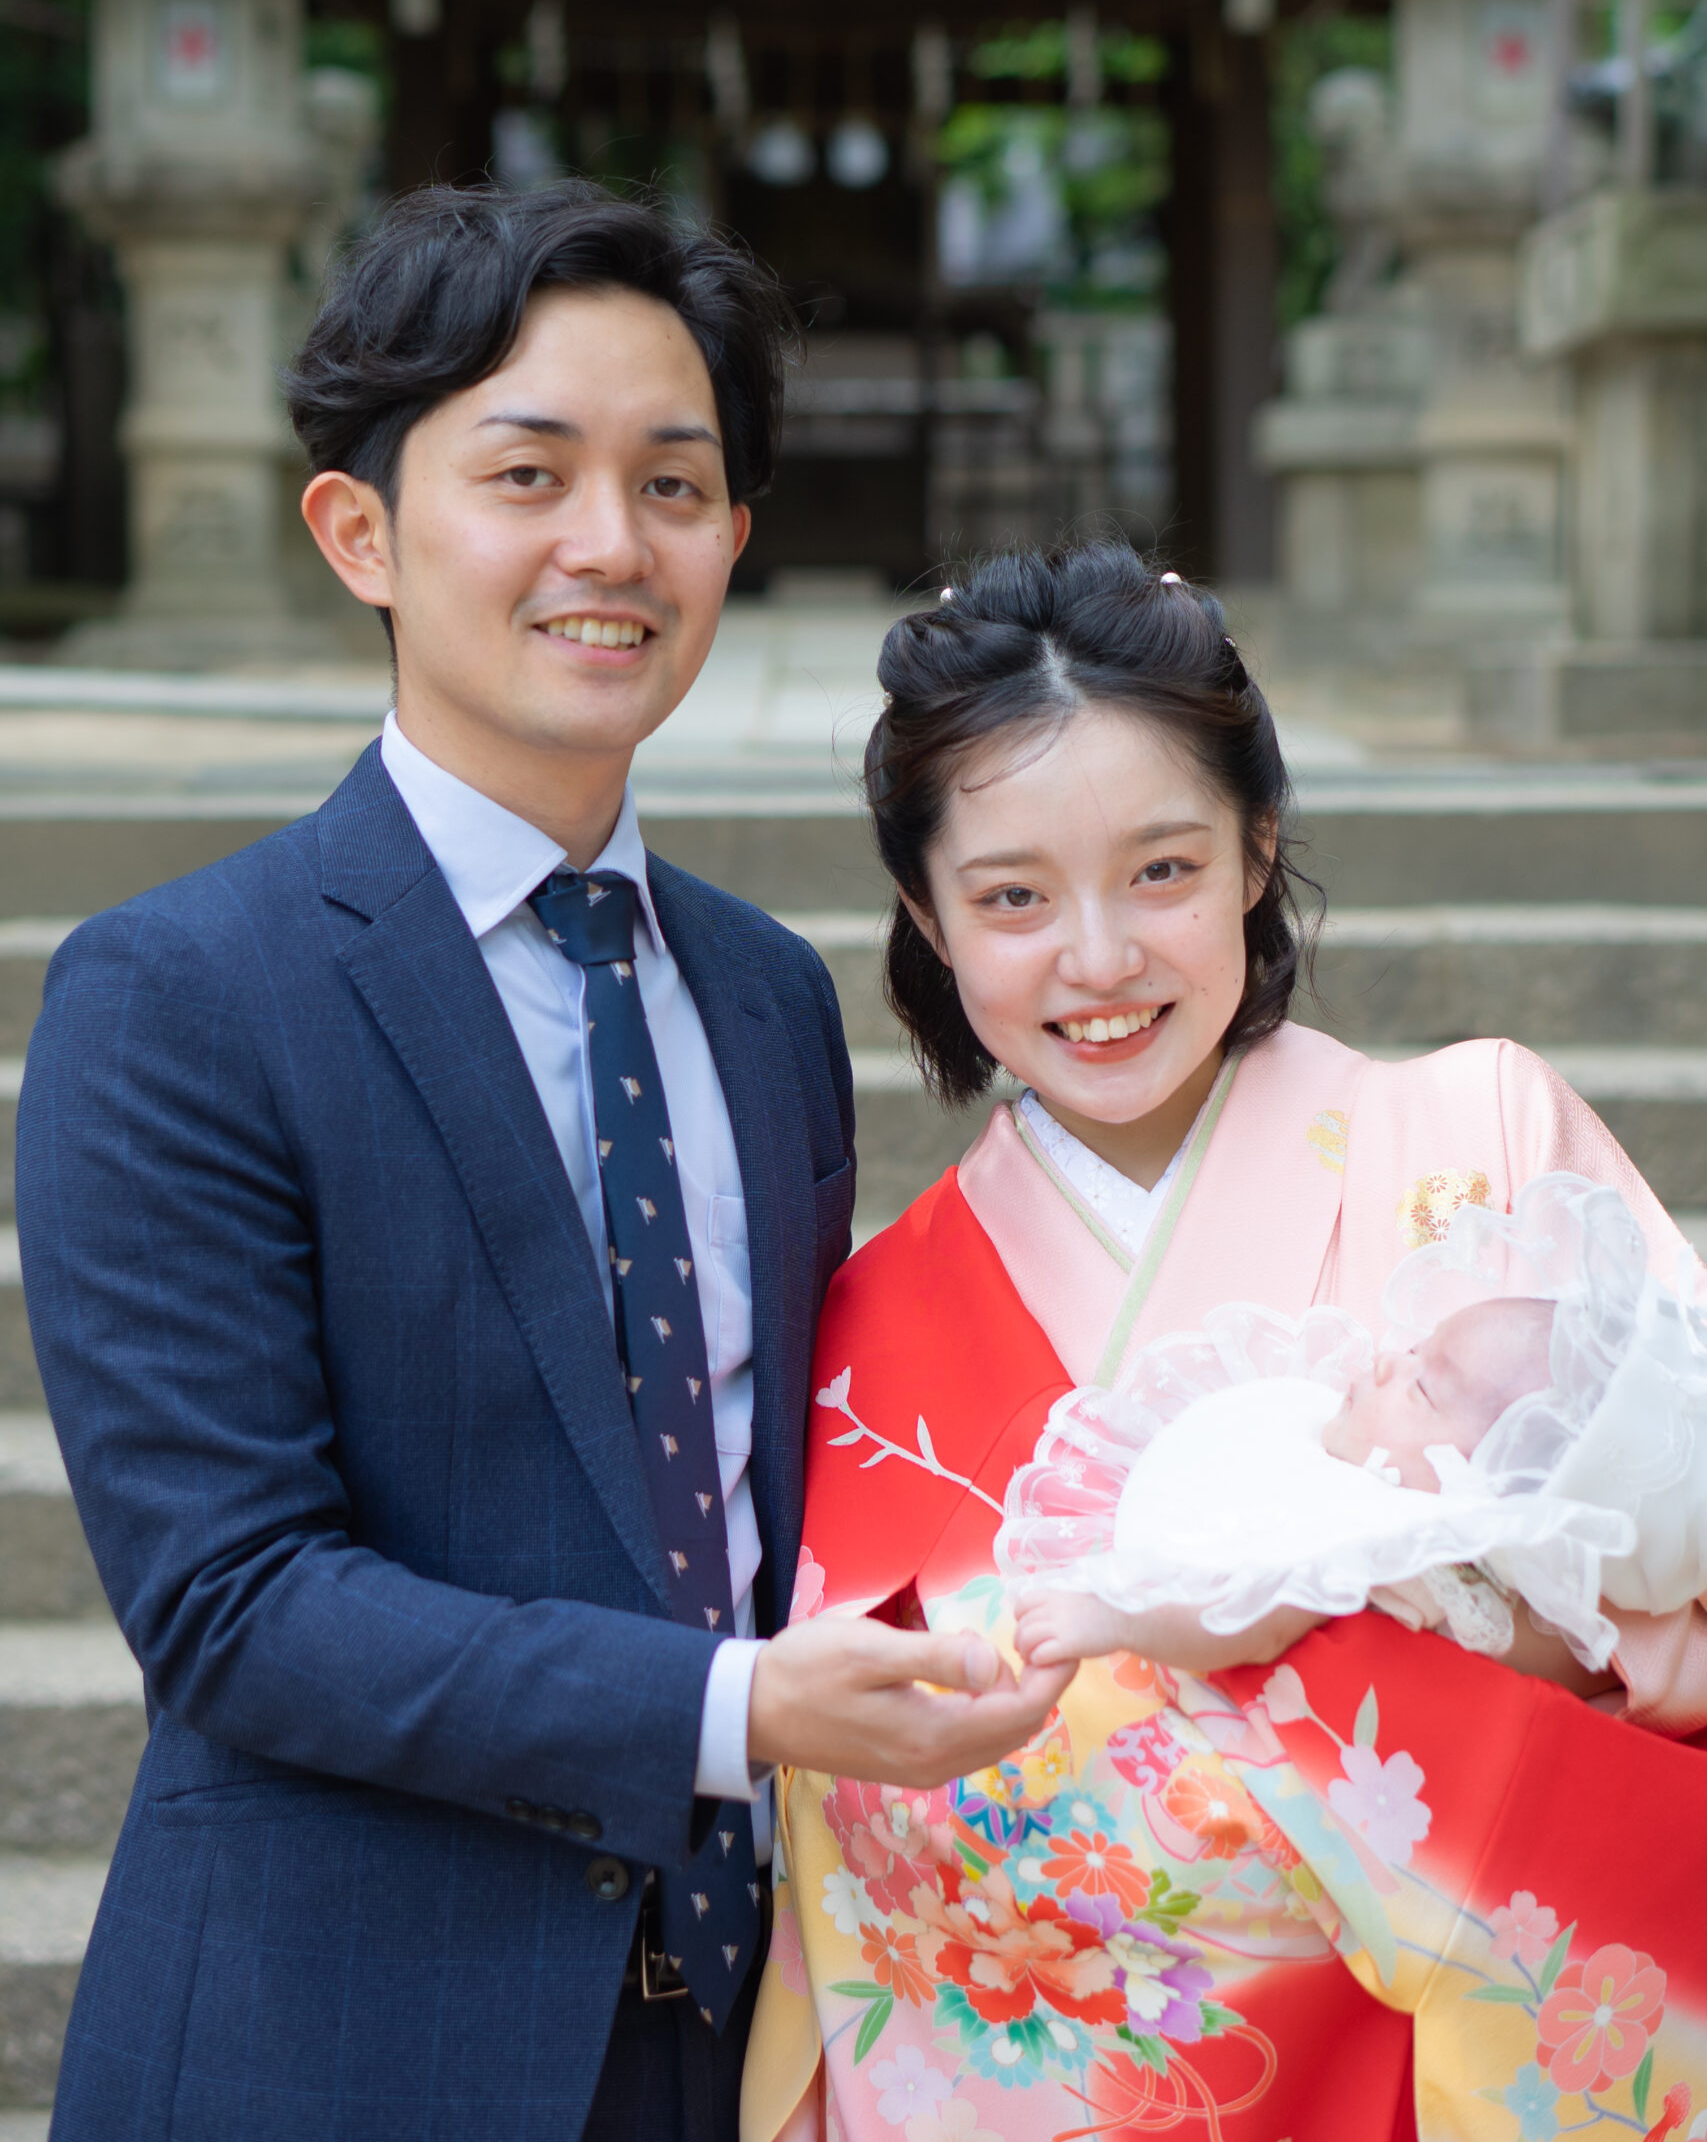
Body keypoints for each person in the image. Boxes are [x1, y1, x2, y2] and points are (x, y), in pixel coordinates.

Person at [15, 183, 1060, 2142]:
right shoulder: (178, 993)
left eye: (674, 485)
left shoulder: (758, 994)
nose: (610, 543)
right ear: (362, 533)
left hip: (740, 2032)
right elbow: (235, 1598)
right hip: (336, 2048)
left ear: (735, 539)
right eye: (526, 472)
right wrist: (735, 1710)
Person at [742, 540, 1707, 2142]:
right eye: (1010, 898)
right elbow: (850, 1852)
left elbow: (1677, 1564)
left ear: (1257, 851)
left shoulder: (1478, 1140)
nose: (1099, 958)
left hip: (1435, 2072)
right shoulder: (864, 1324)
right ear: (925, 911)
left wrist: (1352, 1661)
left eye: (1162, 871)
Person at [1002, 1170, 1707, 1688]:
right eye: (1414, 1350)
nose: (1382, 1362)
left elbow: (1250, 1616)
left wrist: (1115, 1619)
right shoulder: (1363, 1474)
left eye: (1421, 1386)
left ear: (1494, 1489)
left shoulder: (1417, 1553)